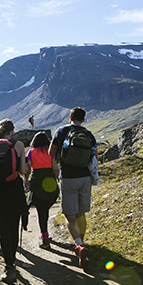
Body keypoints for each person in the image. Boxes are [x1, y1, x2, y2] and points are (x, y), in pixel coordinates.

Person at [49, 107, 97, 269]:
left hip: (68, 177)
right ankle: (81, 241)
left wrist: (56, 165)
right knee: (81, 213)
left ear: (70, 117)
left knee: (70, 215)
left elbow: (51, 152)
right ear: (83, 119)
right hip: (85, 178)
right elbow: (94, 157)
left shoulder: (62, 131)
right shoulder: (89, 134)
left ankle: (78, 245)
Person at [0, 119, 27, 284]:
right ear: (12, 131)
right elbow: (23, 171)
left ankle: (9, 266)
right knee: (13, 225)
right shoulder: (19, 146)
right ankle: (13, 260)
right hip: (14, 190)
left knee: (2, 227)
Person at [25, 132, 60, 249]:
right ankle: (45, 235)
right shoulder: (51, 153)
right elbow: (55, 168)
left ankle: (45, 238)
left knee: (41, 211)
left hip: (37, 182)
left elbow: (28, 169)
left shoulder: (31, 152)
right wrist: (60, 179)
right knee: (46, 207)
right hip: (50, 181)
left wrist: (25, 180)